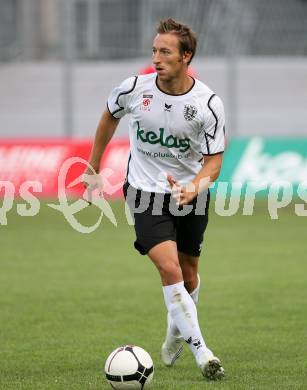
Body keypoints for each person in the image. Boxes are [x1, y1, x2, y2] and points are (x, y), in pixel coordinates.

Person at [84, 18, 226, 380]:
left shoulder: (207, 103)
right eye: (154, 51)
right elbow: (107, 119)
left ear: (186, 57)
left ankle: (176, 331)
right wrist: (93, 167)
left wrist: (195, 186)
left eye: (165, 52)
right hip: (145, 193)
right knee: (169, 269)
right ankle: (202, 352)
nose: (157, 58)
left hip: (189, 195)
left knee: (189, 272)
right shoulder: (134, 88)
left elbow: (214, 162)